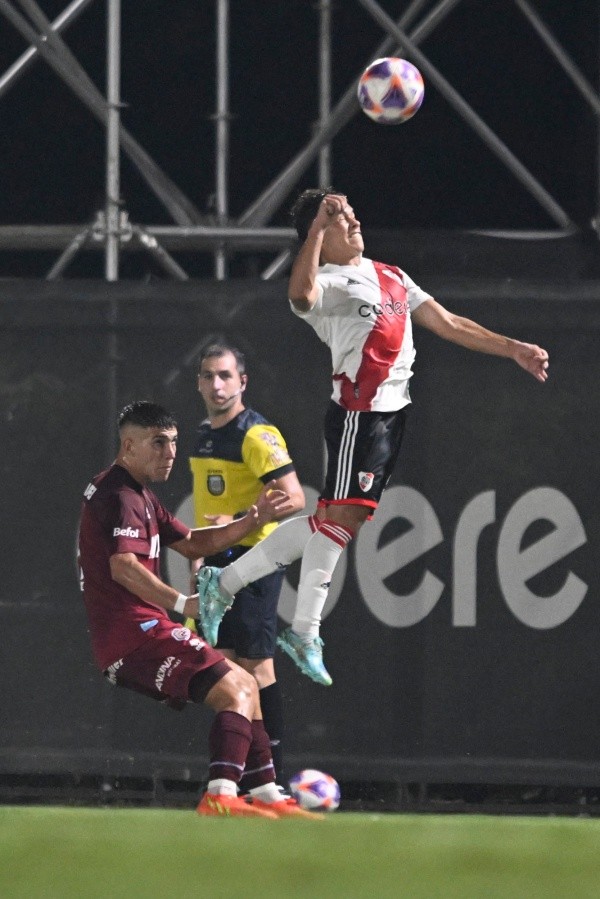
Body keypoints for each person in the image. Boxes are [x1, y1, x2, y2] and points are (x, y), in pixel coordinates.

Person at [197, 188, 550, 687]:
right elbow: (298, 296)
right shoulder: (325, 281)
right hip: (357, 417)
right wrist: (317, 227)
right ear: (320, 236)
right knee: (339, 522)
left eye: (351, 214)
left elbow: (448, 322)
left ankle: (225, 583)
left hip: (391, 417)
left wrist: (513, 348)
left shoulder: (391, 275)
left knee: (332, 523)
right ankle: (303, 630)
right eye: (341, 219)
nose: (354, 222)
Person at [77, 400, 321, 819]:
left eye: (173, 442)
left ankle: (266, 793)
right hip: (134, 637)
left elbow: (192, 543)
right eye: (158, 442)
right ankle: (219, 795)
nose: (170, 453)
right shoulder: (121, 496)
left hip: (137, 634)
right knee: (236, 690)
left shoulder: (137, 493)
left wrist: (252, 519)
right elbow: (123, 567)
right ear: (129, 445)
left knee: (246, 684)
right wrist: (182, 603)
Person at [188, 341, 305, 786]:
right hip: (217, 563)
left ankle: (274, 779)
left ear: (242, 382)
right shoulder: (203, 436)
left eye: (225, 375)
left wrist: (239, 520)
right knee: (227, 672)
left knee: (257, 669)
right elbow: (206, 509)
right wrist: (200, 554)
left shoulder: (257, 435)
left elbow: (294, 498)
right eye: (208, 376)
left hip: (254, 560)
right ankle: (247, 781)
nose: (217, 385)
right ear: (199, 383)